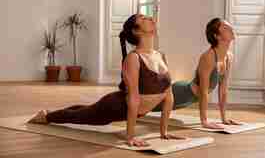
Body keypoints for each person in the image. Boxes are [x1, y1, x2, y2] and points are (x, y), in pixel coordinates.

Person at [28, 14, 183, 147]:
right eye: (142, 18)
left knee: (85, 109)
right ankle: (46, 117)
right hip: (114, 106)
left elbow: (168, 96)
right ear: (136, 30)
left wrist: (164, 132)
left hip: (134, 111)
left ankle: (50, 113)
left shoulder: (161, 55)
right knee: (80, 115)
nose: (149, 17)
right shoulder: (133, 58)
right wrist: (130, 136)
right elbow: (133, 98)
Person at [153, 18, 240, 129]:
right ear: (217, 36)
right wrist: (204, 121)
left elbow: (223, 90)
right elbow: (203, 91)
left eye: (229, 26)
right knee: (147, 106)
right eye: (225, 27)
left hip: (191, 98)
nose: (231, 28)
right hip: (182, 93)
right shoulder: (209, 57)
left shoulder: (229, 57)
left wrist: (224, 118)